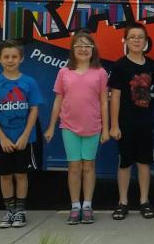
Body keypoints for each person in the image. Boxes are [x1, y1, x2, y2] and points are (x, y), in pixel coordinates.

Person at [44, 30, 110, 225]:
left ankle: (87, 205)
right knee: (73, 167)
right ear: (72, 49)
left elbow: (104, 102)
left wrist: (106, 129)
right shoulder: (64, 72)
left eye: (87, 46)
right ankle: (75, 206)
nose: (83, 49)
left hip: (93, 126)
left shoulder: (100, 73)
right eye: (79, 45)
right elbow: (58, 100)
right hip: (69, 127)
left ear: (93, 50)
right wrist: (50, 127)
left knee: (89, 166)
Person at [0, 40, 44, 229]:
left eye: (14, 57)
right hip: (3, 141)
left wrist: (25, 135)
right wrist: (1, 137)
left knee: (21, 175)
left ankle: (20, 212)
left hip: (24, 140)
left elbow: (34, 110)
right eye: (6, 57)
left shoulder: (29, 82)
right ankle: (9, 211)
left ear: (21, 59)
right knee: (5, 176)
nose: (10, 60)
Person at [109, 23, 154, 220]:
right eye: (132, 37)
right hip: (125, 123)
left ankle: (144, 201)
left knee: (145, 162)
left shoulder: (152, 66)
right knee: (125, 163)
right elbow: (116, 97)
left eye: (140, 37)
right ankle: (123, 201)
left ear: (146, 42)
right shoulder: (120, 65)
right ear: (126, 41)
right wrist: (114, 125)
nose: (136, 40)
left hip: (145, 122)